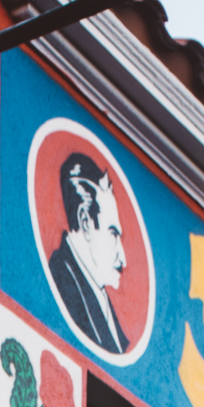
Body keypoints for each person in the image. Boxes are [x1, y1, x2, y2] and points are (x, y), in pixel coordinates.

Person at [48, 150, 131, 355]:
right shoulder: (61, 277)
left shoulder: (98, 295)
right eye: (113, 235)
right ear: (85, 222)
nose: (123, 257)